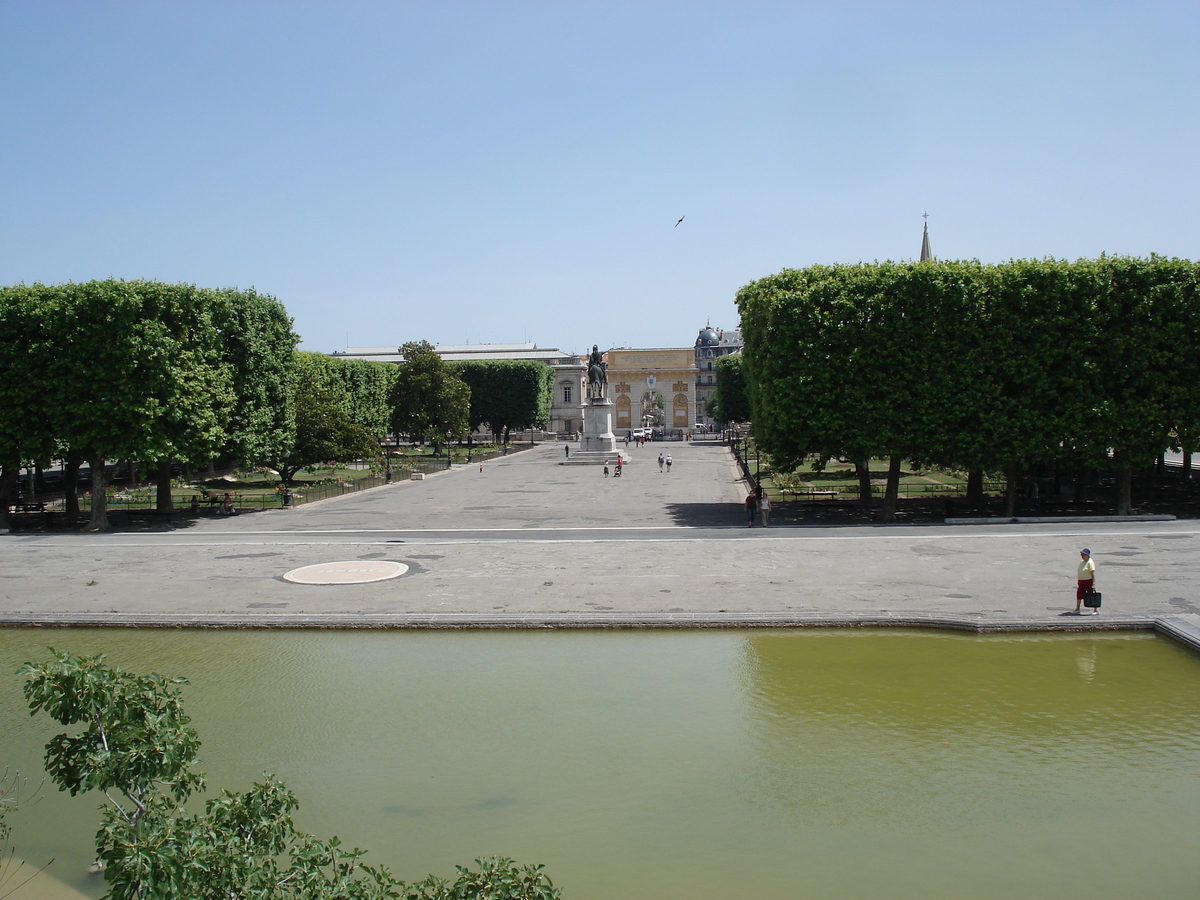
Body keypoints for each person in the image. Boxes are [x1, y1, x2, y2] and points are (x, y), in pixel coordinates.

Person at [1074, 548, 1097, 614]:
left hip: (1088, 581)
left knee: (1091, 594)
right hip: (1081, 581)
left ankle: (1095, 610)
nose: (1082, 556)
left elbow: (1092, 573)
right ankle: (1077, 609)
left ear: (1087, 555)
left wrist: (1093, 584)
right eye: (1081, 554)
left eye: (1083, 555)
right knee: (1079, 594)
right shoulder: (1082, 561)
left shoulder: (1090, 562)